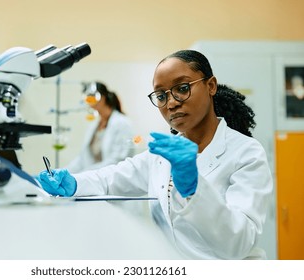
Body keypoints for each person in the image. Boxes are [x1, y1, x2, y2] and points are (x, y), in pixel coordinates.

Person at [35, 50, 273, 260]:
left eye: (182, 88)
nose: (171, 103)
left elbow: (239, 244)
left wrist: (194, 188)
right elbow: (112, 178)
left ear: (210, 86)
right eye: (161, 95)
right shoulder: (163, 155)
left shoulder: (246, 153)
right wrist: (74, 182)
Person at [65, 81, 135, 173]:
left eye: (90, 98)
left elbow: (118, 159)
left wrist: (87, 173)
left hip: (113, 180)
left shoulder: (122, 123)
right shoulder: (94, 125)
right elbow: (83, 158)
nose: (88, 103)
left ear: (102, 98)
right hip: (94, 179)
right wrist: (63, 172)